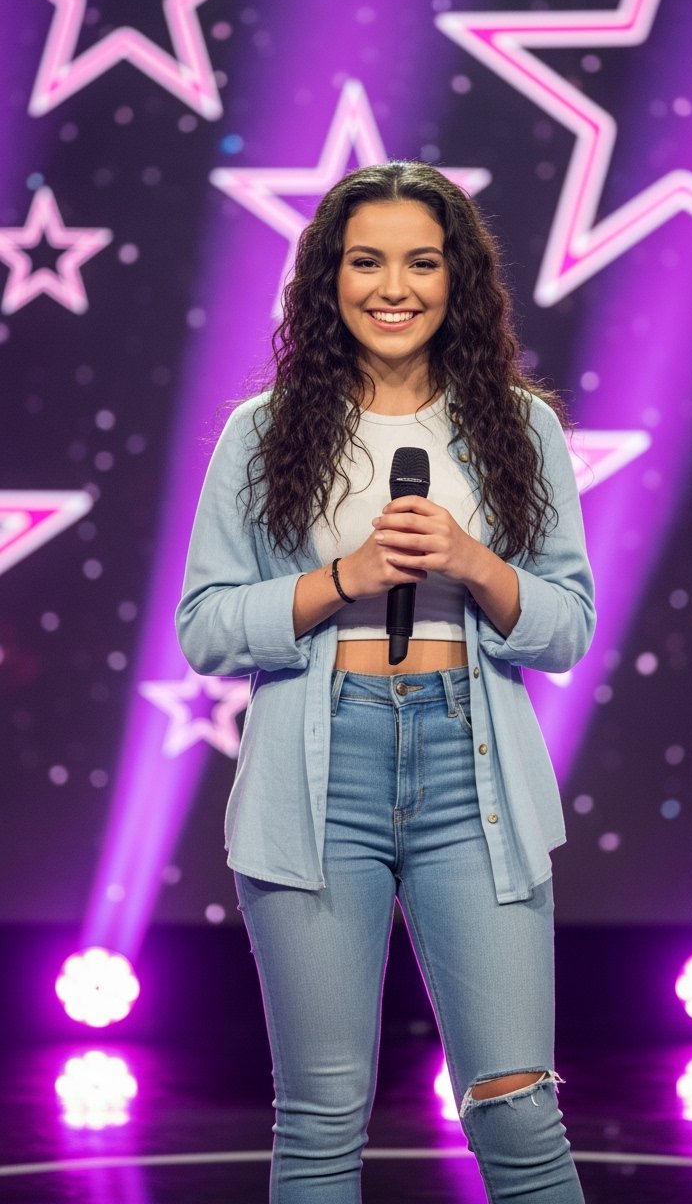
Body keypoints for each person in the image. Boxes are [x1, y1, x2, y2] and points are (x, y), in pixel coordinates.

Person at [176, 161, 595, 1202]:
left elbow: (567, 628)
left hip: (472, 776)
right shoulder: (263, 430)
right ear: (329, 276)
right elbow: (205, 628)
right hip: (318, 781)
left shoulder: (521, 428)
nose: (394, 287)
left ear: (460, 279)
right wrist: (340, 580)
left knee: (520, 1110)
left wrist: (474, 562)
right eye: (366, 261)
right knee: (321, 1118)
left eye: (422, 262)